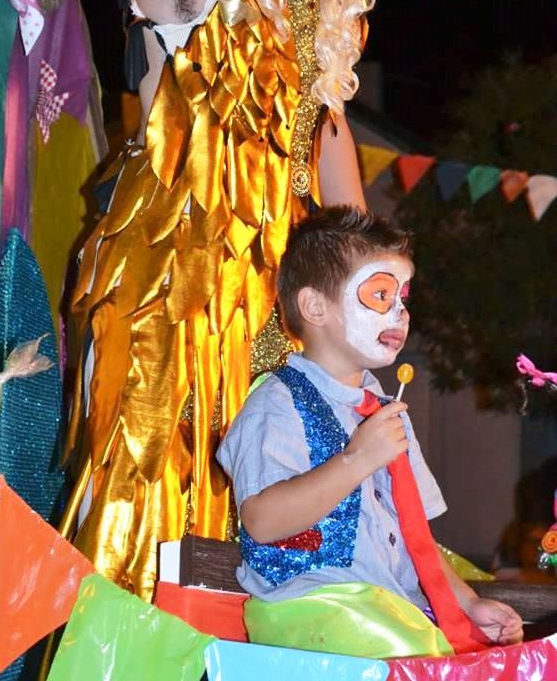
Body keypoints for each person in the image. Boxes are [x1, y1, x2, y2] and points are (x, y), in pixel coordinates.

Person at [64, 0, 446, 602]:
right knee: (161, 537)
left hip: (285, 326)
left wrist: (367, 327)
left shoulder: (325, 36)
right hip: (172, 313)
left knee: (284, 551)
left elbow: (352, 235)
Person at [217, 205, 524, 658]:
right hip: (312, 610)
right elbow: (262, 521)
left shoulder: (385, 409)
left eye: (403, 297)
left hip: (388, 610)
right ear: (315, 306)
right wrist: (356, 461)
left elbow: (414, 536)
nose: (400, 313)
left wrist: (467, 604)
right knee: (421, 659)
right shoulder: (276, 403)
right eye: (381, 294)